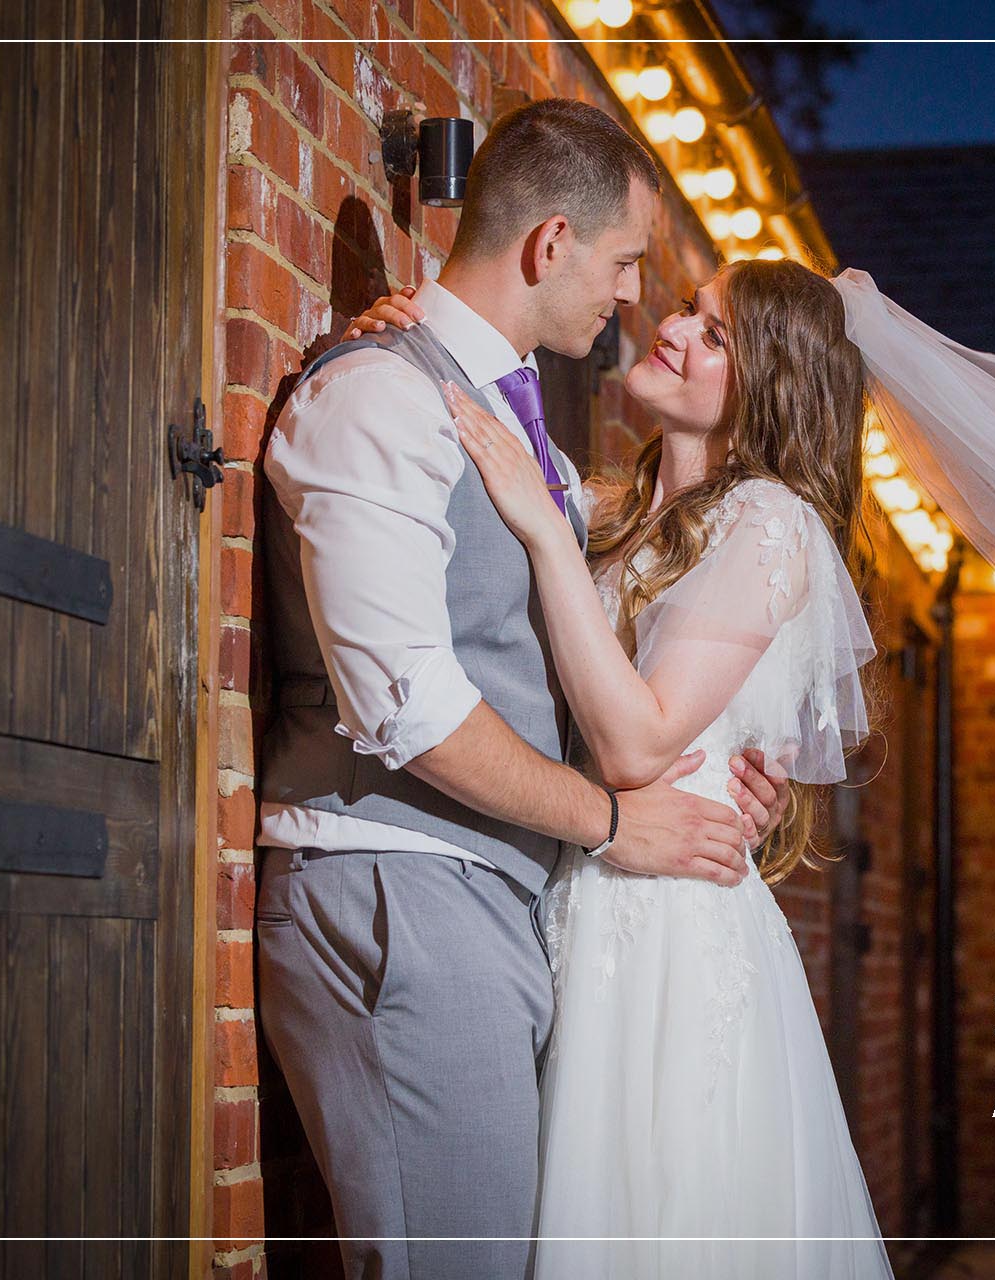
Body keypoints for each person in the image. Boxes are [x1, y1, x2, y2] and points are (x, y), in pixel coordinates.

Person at [253, 98, 795, 1280]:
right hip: (400, 885)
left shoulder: (516, 433)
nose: (633, 298)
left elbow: (623, 607)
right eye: (625, 263)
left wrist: (729, 761)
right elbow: (404, 704)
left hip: (487, 901)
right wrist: (611, 819)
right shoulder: (387, 395)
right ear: (552, 244)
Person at [351, 260, 896, 1278]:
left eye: (715, 333)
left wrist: (543, 536)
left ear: (768, 388)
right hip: (577, 890)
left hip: (668, 932)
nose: (674, 329)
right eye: (690, 309)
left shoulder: (771, 521)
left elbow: (639, 743)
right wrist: (404, 333)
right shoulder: (612, 506)